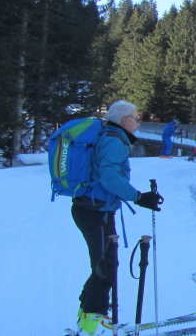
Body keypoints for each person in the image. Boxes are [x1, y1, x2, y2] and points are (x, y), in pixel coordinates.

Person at [72, 100, 163, 335]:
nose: (138, 123)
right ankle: (93, 322)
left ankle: (88, 315)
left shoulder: (109, 136)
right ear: (124, 120)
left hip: (93, 209)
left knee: (103, 263)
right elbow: (109, 178)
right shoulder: (114, 140)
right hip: (96, 211)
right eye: (136, 118)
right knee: (106, 265)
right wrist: (138, 197)